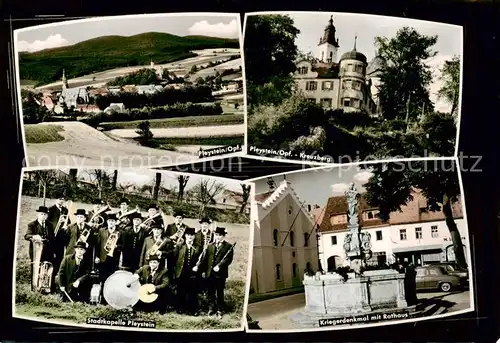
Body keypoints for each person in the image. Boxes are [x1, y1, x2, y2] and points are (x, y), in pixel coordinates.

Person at [201, 227, 234, 319]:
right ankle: (211, 308)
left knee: (219, 292)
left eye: (220, 235)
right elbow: (205, 259)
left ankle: (220, 310)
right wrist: (204, 271)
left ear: (223, 236)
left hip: (220, 274)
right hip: (210, 273)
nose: (218, 237)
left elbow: (228, 260)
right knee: (210, 292)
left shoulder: (228, 246)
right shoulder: (210, 245)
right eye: (216, 235)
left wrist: (219, 266)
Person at [25, 206, 56, 291]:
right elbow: (27, 236)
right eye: (41, 214)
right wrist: (34, 236)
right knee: (36, 269)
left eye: (45, 214)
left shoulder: (50, 225)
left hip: (48, 251)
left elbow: (52, 238)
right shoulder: (32, 224)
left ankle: (45, 288)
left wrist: (53, 250)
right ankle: (34, 288)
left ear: (47, 215)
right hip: (36, 251)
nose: (43, 216)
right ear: (38, 214)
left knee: (47, 270)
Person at [174, 227, 201, 315]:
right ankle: (180, 307)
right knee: (181, 290)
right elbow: (174, 258)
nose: (190, 237)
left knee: (192, 291)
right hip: (182, 271)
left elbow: (202, 259)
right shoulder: (180, 245)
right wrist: (175, 271)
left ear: (194, 236)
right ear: (185, 236)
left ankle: (192, 309)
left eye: (192, 235)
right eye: (188, 235)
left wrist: (198, 267)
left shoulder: (198, 247)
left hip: (193, 272)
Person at [95, 213, 122, 301]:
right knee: (102, 278)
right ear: (107, 222)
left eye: (113, 221)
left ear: (116, 222)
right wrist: (97, 256)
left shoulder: (120, 232)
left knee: (111, 278)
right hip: (102, 258)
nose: (111, 223)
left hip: (114, 259)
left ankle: (110, 298)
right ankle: (101, 297)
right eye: (110, 221)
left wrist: (117, 246)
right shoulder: (102, 230)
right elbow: (98, 245)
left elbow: (123, 245)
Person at [47, 194, 70, 291]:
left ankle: (55, 283)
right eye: (60, 199)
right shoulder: (50, 209)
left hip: (61, 239)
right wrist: (58, 223)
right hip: (53, 239)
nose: (61, 201)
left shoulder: (65, 210)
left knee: (59, 261)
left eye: (63, 199)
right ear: (56, 199)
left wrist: (66, 224)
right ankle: (49, 283)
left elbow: (68, 222)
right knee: (51, 260)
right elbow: (48, 223)